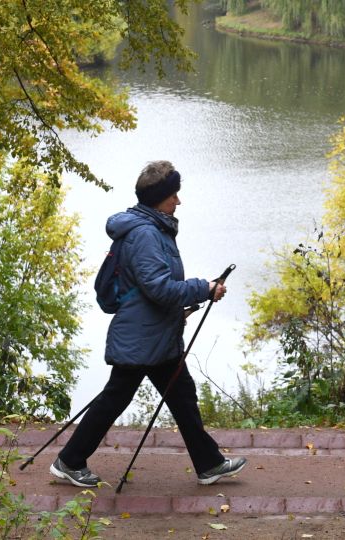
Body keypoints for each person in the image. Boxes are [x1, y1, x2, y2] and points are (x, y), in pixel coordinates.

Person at [50, 160, 247, 488]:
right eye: (173, 195)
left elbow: (152, 288)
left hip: (155, 334)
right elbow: (158, 288)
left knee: (181, 394)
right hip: (142, 337)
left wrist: (192, 299)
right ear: (159, 198)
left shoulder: (154, 227)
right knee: (116, 398)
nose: (178, 201)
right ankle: (69, 461)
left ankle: (209, 464)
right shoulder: (145, 234)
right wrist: (204, 288)